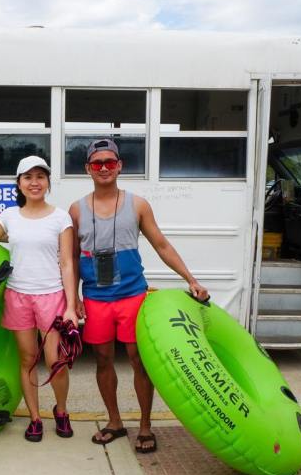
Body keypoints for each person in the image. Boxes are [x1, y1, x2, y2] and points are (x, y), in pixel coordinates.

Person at [69, 138, 209, 453]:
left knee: (139, 360)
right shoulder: (76, 210)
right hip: (96, 297)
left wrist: (190, 278)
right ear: (87, 169)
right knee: (103, 360)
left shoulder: (138, 205)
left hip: (132, 295)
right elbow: (73, 258)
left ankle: (145, 426)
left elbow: (161, 245)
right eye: (96, 164)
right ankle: (115, 422)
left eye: (109, 162)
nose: (103, 168)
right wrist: (73, 297)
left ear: (119, 166)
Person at [0, 156, 79, 443]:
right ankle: (35, 418)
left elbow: (67, 263)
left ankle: (61, 411)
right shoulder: (9, 217)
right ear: (19, 184)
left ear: (48, 182)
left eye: (40, 176)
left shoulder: (61, 217)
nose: (34, 182)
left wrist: (72, 307)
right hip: (19, 296)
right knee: (27, 359)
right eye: (28, 177)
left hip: (51, 296)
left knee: (55, 361)